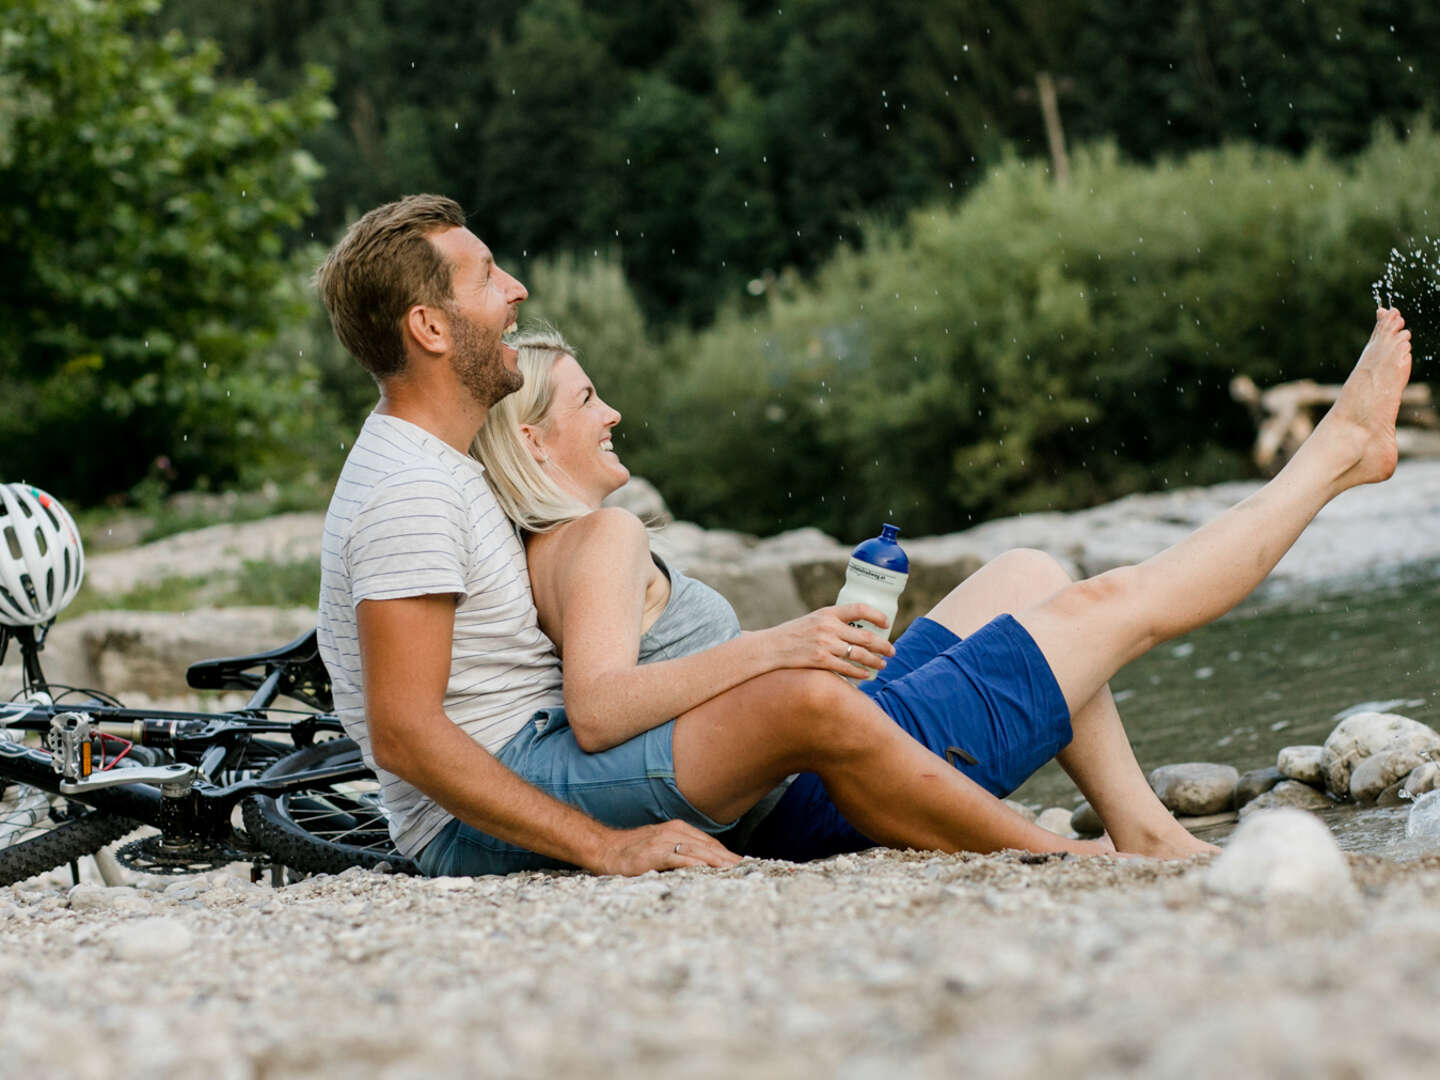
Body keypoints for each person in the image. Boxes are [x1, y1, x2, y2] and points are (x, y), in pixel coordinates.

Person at [470, 310, 1413, 868]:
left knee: (1030, 575)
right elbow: (599, 712)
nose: (614, 412)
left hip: (808, 757)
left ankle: (1143, 827)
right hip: (820, 792)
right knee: (1113, 604)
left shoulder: (559, 545)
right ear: (533, 440)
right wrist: (781, 645)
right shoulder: (597, 536)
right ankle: (1329, 456)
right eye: (588, 399)